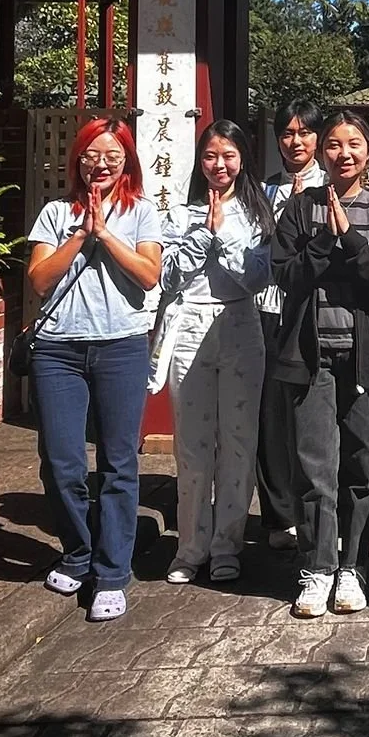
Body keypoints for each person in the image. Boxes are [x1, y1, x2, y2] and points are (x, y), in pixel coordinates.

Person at [24, 117, 164, 623]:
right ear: (77, 161)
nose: (100, 164)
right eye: (91, 155)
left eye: (111, 155)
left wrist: (106, 234)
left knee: (118, 463)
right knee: (61, 462)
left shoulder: (142, 212)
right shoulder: (56, 212)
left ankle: (111, 572)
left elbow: (149, 276)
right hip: (58, 350)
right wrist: (81, 234)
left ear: (127, 160)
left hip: (121, 347)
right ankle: (78, 552)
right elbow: (39, 280)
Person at [271, 110, 369, 618]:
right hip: (311, 358)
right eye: (332, 144)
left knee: (361, 467)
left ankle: (352, 566)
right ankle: (316, 568)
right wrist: (326, 239)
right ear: (320, 152)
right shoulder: (301, 208)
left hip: (364, 358)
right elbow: (284, 273)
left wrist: (349, 238)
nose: (343, 153)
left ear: (368, 152)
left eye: (353, 144)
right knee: (314, 468)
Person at [151, 119, 273, 586]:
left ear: (242, 159)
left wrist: (224, 235)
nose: (218, 165)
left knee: (239, 445)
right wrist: (204, 233)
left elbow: (258, 278)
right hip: (189, 327)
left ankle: (228, 545)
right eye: (210, 156)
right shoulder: (181, 213)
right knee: (193, 447)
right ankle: (190, 547)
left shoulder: (258, 214)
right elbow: (167, 276)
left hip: (240, 323)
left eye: (228, 156)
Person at [256, 99, 325, 551]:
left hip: (314, 311)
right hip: (267, 308)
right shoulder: (264, 191)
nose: (295, 141)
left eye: (304, 132)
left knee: (311, 416)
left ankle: (313, 509)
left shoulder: (331, 186)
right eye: (287, 133)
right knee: (270, 415)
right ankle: (278, 514)